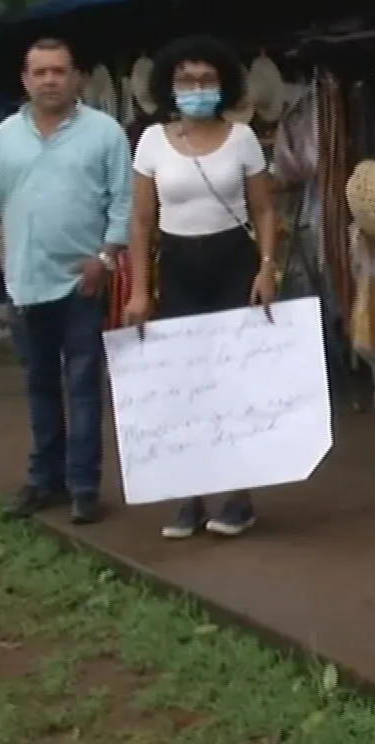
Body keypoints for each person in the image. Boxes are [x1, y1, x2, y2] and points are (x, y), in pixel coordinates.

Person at [0, 37, 132, 526]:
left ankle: (83, 487)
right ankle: (44, 481)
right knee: (38, 387)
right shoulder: (3, 137)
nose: (50, 80)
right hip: (24, 280)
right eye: (40, 72)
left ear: (76, 78)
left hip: (83, 282)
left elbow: (123, 202)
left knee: (81, 385)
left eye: (59, 71)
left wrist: (105, 257)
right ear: (25, 80)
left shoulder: (106, 133)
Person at [121, 35, 281, 539]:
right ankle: (189, 494)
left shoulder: (243, 140)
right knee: (182, 387)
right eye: (186, 80)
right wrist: (140, 290)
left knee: (234, 384)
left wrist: (267, 267)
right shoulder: (150, 142)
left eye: (207, 79)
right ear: (170, 86)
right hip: (178, 268)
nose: (196, 88)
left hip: (233, 263)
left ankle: (238, 497)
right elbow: (142, 223)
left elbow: (265, 211)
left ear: (224, 84)